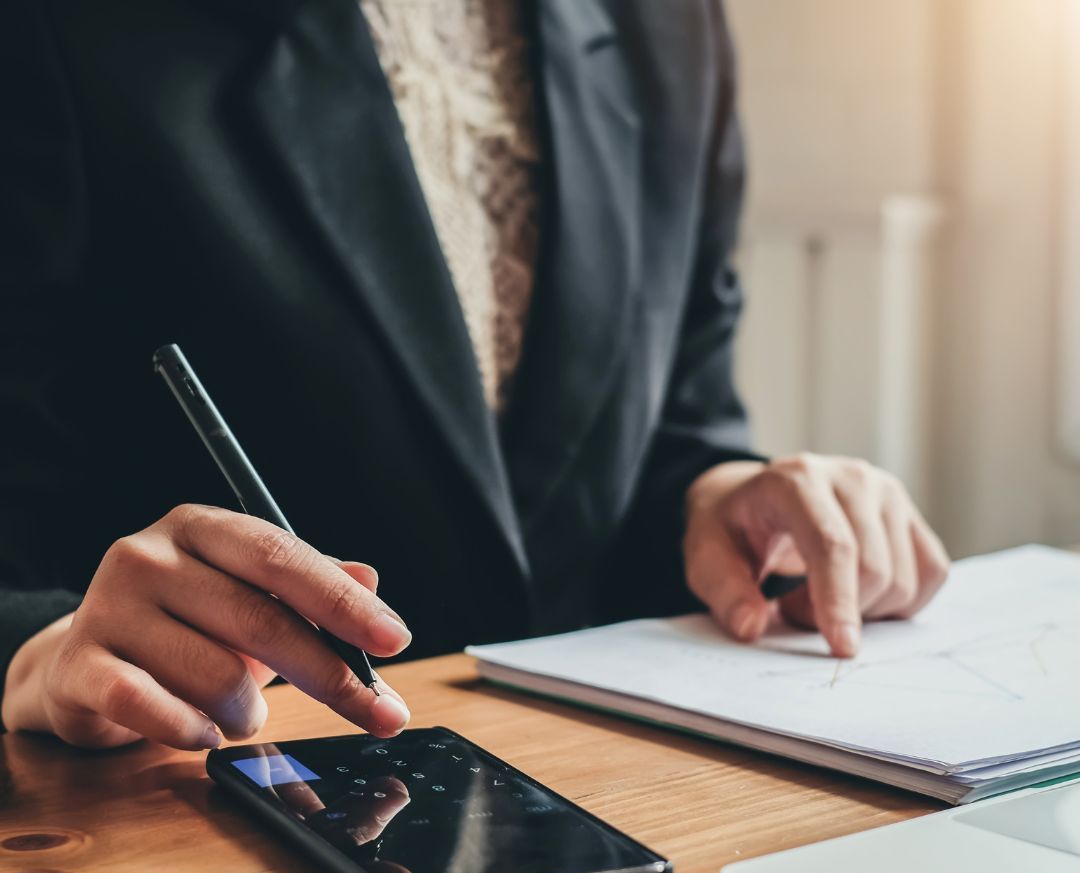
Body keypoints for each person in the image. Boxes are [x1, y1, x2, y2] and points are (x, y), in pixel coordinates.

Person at [0, 0, 948, 753]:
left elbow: (667, 423)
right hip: (225, 809)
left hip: (614, 797)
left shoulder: (671, 22)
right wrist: (43, 650)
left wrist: (720, 496)